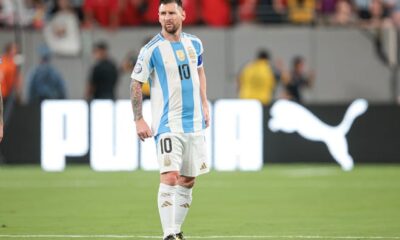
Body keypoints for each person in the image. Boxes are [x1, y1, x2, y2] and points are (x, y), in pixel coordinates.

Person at [130, 0, 210, 239]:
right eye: (163, 13)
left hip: (194, 123)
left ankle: (175, 231)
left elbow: (200, 71)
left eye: (172, 13)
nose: (167, 18)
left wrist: (205, 103)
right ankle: (167, 234)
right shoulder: (151, 49)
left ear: (183, 14)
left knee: (188, 180)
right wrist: (138, 119)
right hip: (168, 124)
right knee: (170, 176)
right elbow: (136, 83)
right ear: (158, 16)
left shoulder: (195, 43)